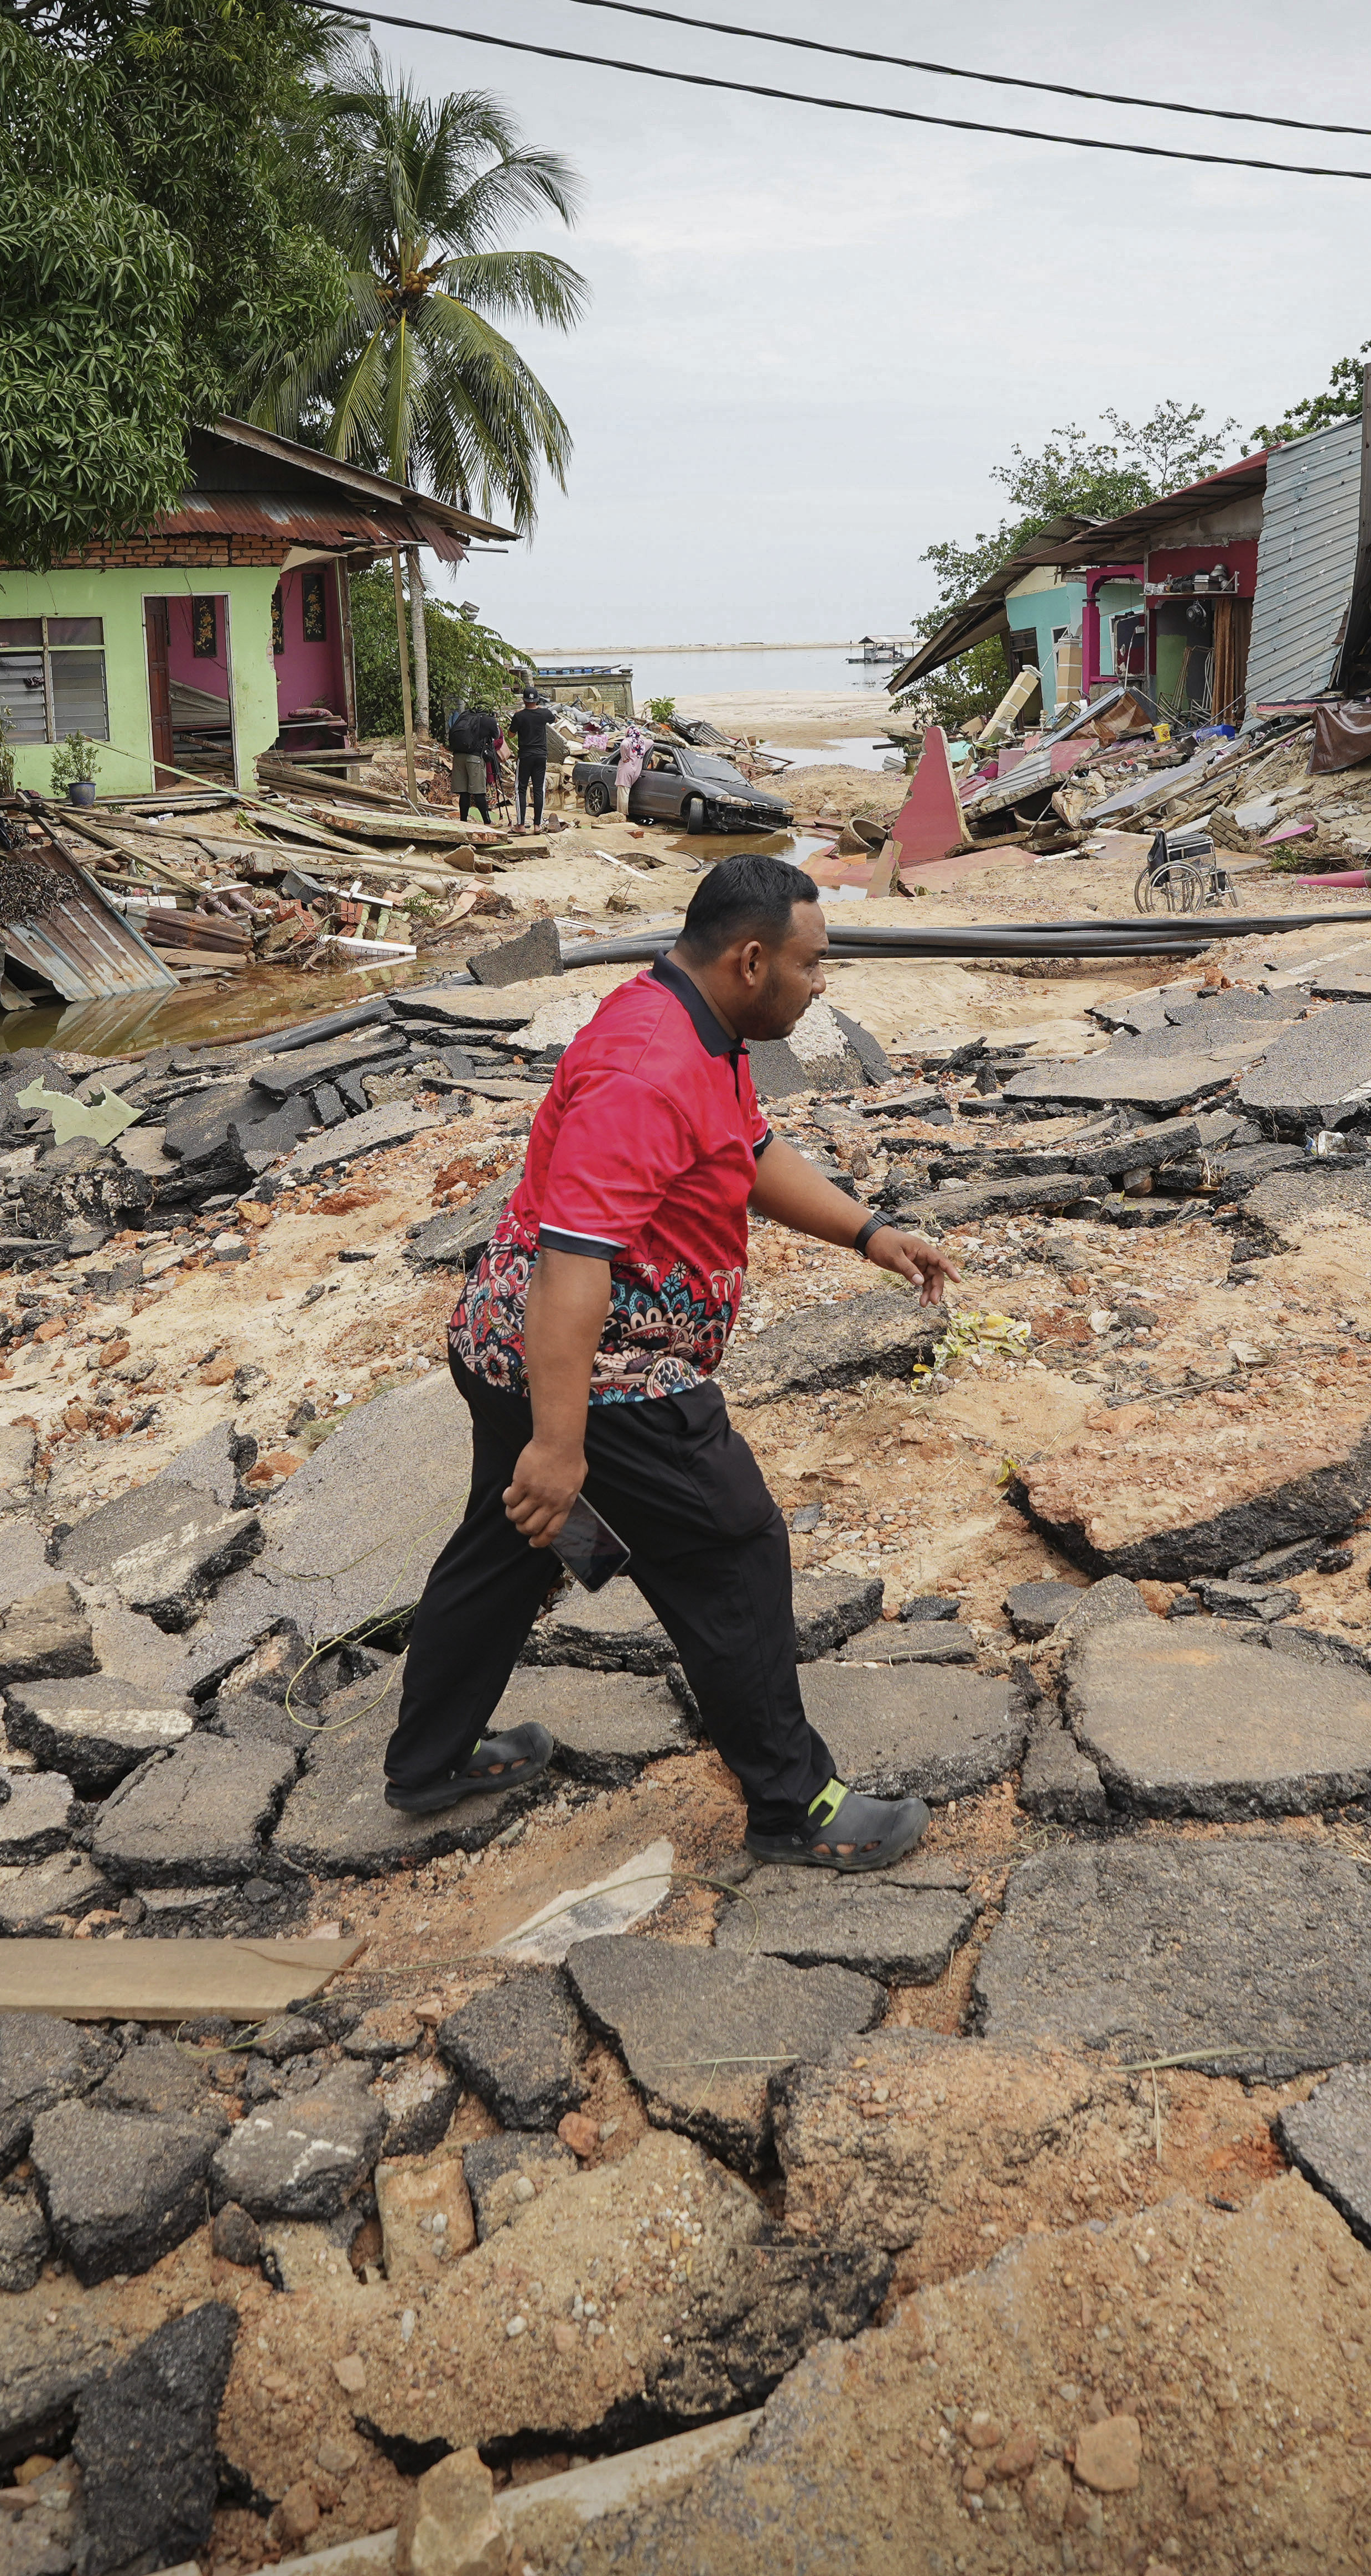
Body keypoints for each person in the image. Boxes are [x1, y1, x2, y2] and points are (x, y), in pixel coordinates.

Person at [388, 854, 957, 1872]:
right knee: (732, 1553)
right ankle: (796, 1806)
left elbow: (745, 1150)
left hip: (506, 1343)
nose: (820, 983)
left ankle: (430, 1761)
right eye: (811, 964)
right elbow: (574, 1266)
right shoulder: (645, 1071)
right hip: (605, 1376)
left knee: (512, 1544)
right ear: (751, 960)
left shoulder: (696, 1020)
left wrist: (867, 1232)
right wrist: (563, 1445)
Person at [506, 682, 568, 830]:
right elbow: (556, 721)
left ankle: (520, 826)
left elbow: (510, 734)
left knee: (521, 789)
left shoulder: (519, 716)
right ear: (537, 700)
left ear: (524, 700)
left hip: (526, 755)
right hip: (541, 756)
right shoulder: (545, 713)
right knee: (539, 789)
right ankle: (537, 825)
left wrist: (521, 715)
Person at [443, 694, 501, 825]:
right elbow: (496, 735)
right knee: (478, 791)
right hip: (474, 758)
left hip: (458, 756)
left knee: (464, 792)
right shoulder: (488, 719)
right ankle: (488, 822)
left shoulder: (466, 715)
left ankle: (464, 822)